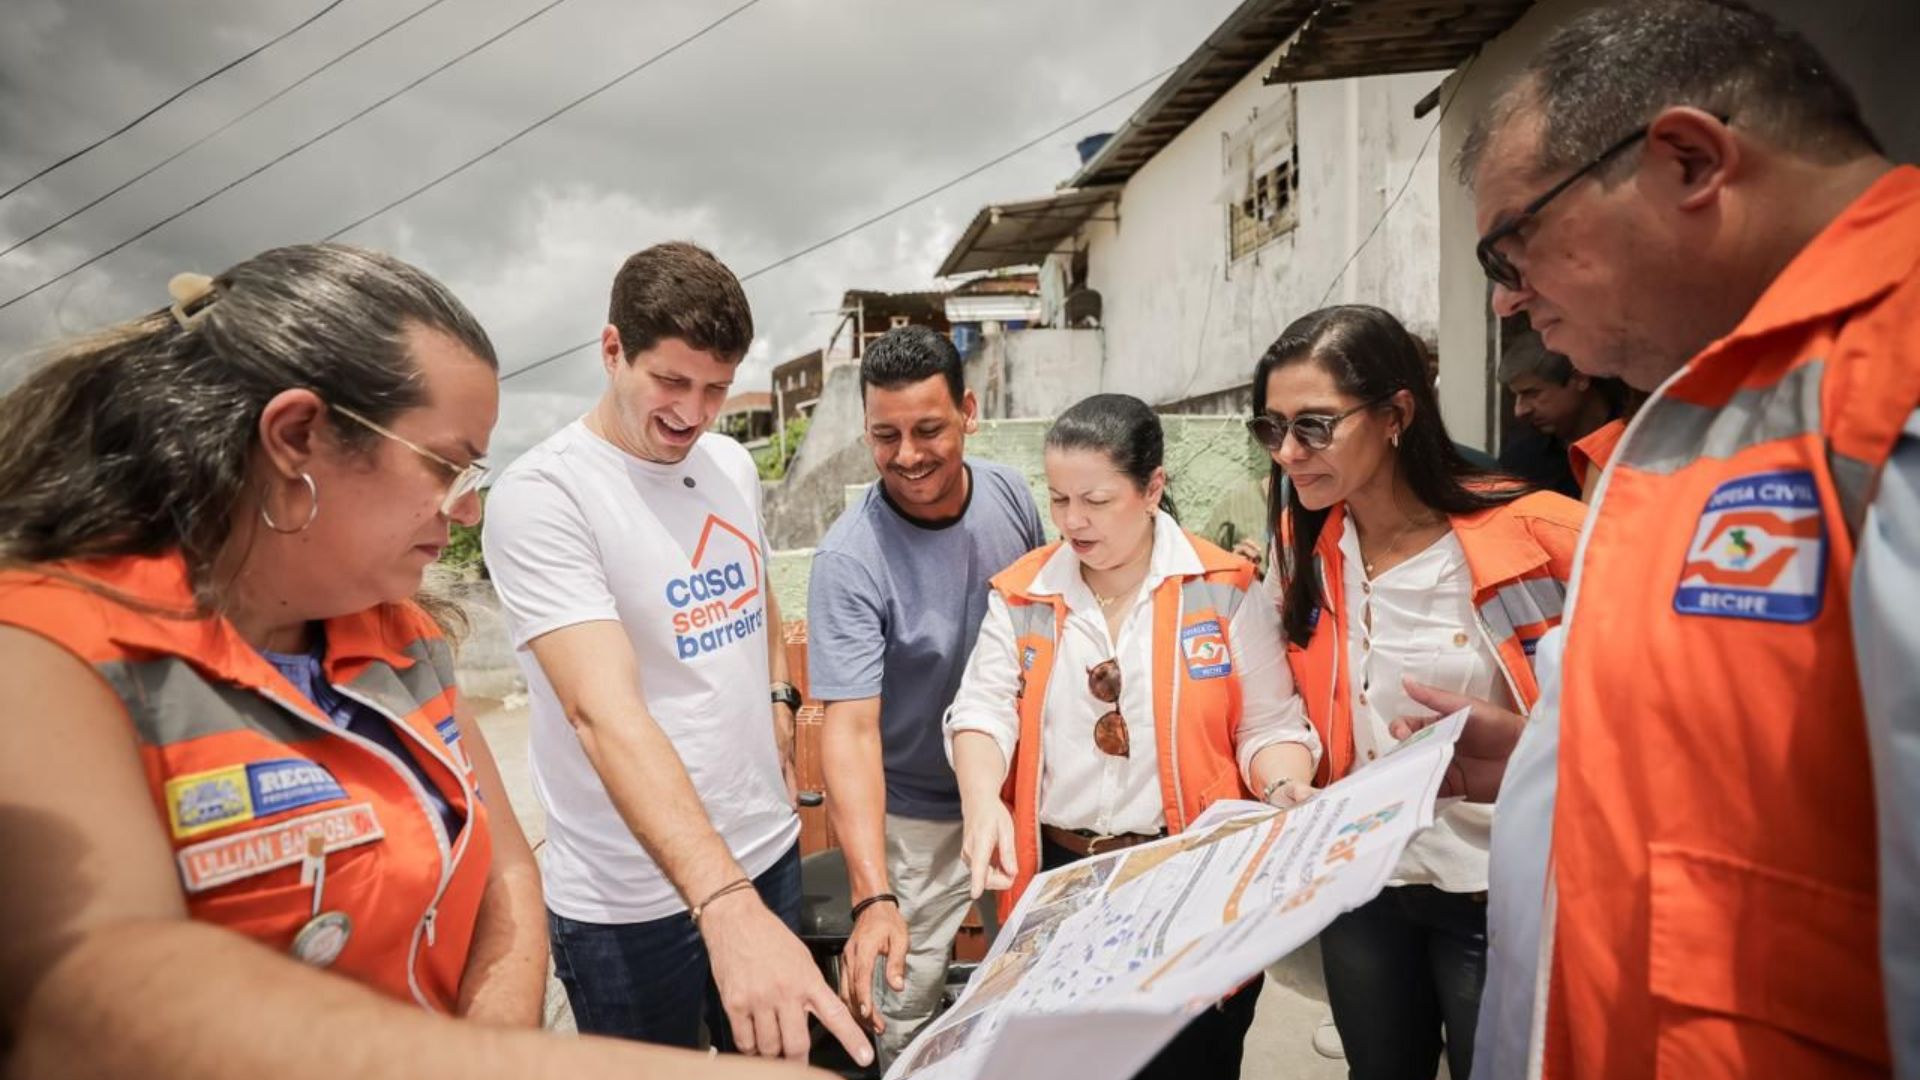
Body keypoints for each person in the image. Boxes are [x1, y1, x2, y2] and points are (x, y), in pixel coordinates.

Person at [0, 243, 815, 1078]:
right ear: (295, 437)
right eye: (444, 463)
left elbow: (504, 874)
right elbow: (93, 996)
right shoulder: (53, 655)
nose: (467, 509)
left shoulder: (401, 635)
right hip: (631, 902)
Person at [1437, 1, 1920, 1075]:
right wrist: (1552, 763)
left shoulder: (1888, 380)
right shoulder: (1714, 407)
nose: (1511, 305)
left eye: (1512, 246)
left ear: (1691, 160)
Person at [482, 242, 868, 1066]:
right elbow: (599, 711)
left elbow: (755, 587)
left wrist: (775, 698)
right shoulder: (544, 497)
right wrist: (720, 901)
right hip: (628, 901)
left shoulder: (728, 463)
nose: (693, 413)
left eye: (716, 388)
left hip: (764, 852)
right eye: (671, 381)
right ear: (612, 348)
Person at [1251, 304, 1585, 1080]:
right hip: (1364, 884)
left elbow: (1629, 720)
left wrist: (1529, 737)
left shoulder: (1543, 538)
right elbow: (1290, 707)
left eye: (1314, 426)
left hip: (1496, 890)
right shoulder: (1307, 549)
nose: (1290, 454)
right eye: (1272, 430)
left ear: (1398, 412)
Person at [945, 393, 1321, 1080]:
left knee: (1187, 1063)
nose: (1072, 521)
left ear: (1152, 488)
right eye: (1058, 499)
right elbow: (982, 711)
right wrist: (980, 801)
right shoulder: (1024, 593)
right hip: (1064, 880)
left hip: (1187, 881)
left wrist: (1283, 783)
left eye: (1095, 499)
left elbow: (1267, 724)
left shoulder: (1223, 589)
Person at [808, 325, 1046, 1065]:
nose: (908, 454)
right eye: (886, 435)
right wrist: (874, 894)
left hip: (1020, 798)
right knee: (898, 1005)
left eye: (929, 429)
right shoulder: (850, 561)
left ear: (969, 410)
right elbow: (848, 731)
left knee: (1042, 985)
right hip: (914, 822)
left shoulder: (1008, 492)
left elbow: (1047, 614)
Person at [1495, 329, 1621, 498]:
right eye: (1516, 396)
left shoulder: (1634, 444)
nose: (1520, 410)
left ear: (1580, 379)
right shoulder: (1522, 453)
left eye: (1532, 393)